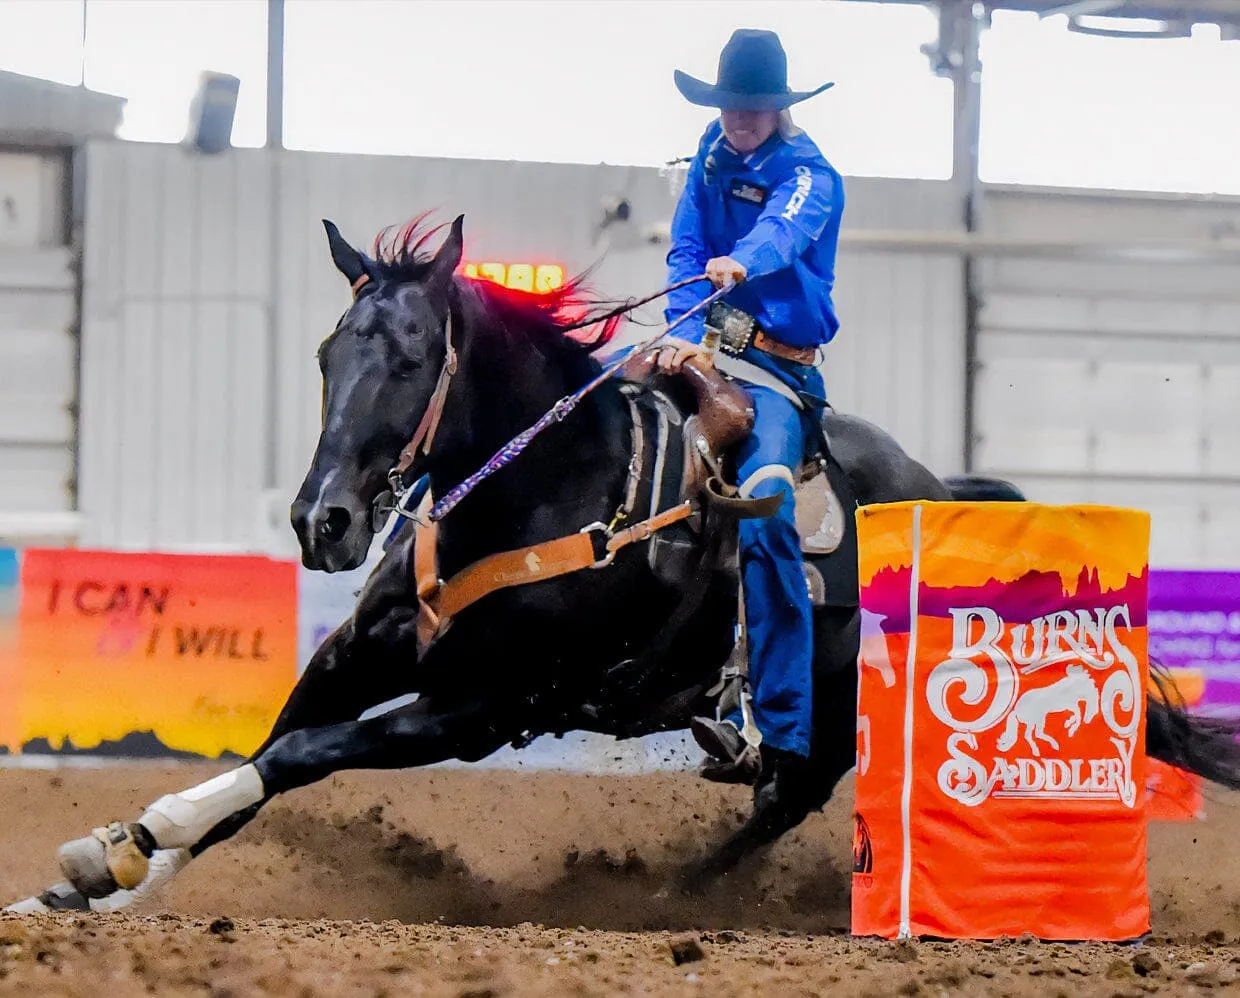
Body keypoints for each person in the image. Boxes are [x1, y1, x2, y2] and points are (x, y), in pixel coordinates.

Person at [657, 28, 845, 783]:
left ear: (778, 109)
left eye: (754, 108)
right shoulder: (710, 152)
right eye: (730, 105)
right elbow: (683, 247)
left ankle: (783, 730)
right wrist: (679, 317)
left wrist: (745, 262)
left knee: (766, 512)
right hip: (705, 353)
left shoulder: (810, 172)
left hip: (775, 376)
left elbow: (784, 228)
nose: (739, 119)